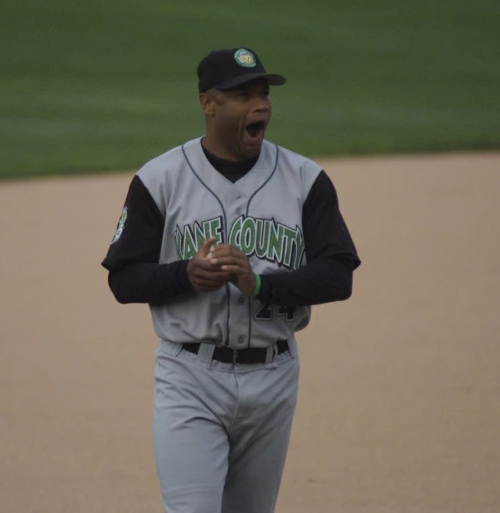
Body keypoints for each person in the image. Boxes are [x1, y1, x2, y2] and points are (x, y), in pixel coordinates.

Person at [101, 47, 361, 513]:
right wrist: (186, 274)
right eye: (243, 95)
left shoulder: (305, 179)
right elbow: (123, 279)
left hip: (274, 375)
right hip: (190, 375)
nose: (260, 104)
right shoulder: (160, 178)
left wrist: (260, 285)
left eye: (263, 93)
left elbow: (338, 275)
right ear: (208, 104)